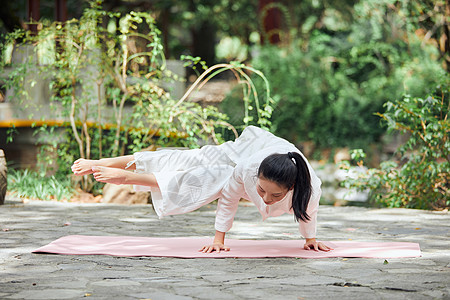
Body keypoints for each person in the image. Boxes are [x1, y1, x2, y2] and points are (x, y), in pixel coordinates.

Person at [71, 126, 332, 253]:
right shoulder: (248, 170)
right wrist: (219, 240)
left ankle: (129, 177)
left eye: (275, 196)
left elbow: (309, 215)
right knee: (192, 162)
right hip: (246, 152)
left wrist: (310, 240)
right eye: (261, 191)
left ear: (294, 187)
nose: (265, 199)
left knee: (213, 175)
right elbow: (229, 198)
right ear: (257, 178)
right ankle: (113, 166)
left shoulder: (310, 188)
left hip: (265, 156)